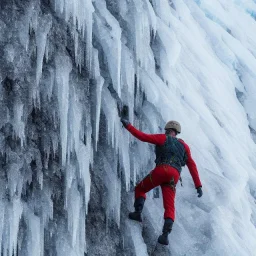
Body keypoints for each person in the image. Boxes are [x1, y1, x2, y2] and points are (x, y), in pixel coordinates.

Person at [121, 114, 203, 246]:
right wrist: (198, 185)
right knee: (169, 205)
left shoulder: (163, 138)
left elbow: (143, 137)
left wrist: (128, 125)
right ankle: (165, 235)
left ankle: (137, 213)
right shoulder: (184, 147)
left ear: (168, 130)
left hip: (162, 169)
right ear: (177, 132)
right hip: (174, 176)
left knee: (141, 188)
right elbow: (192, 165)